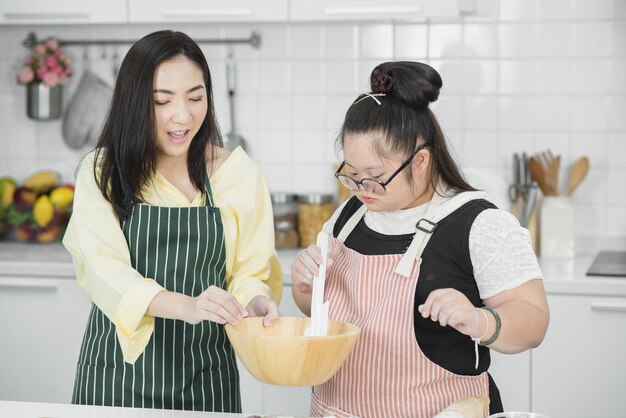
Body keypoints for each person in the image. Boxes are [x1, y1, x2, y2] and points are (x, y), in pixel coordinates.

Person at [291, 61, 549, 418]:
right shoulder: (349, 216)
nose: (362, 189)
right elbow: (323, 313)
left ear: (420, 161)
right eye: (351, 175)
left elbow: (534, 321)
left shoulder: (478, 225)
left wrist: (479, 320)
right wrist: (305, 285)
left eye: (375, 176)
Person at [63, 30, 282, 412]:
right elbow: (106, 273)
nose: (183, 116)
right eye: (162, 102)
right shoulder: (102, 172)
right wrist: (188, 306)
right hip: (118, 376)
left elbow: (249, 270)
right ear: (134, 104)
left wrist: (255, 300)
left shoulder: (239, 173)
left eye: (195, 98)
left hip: (206, 376)